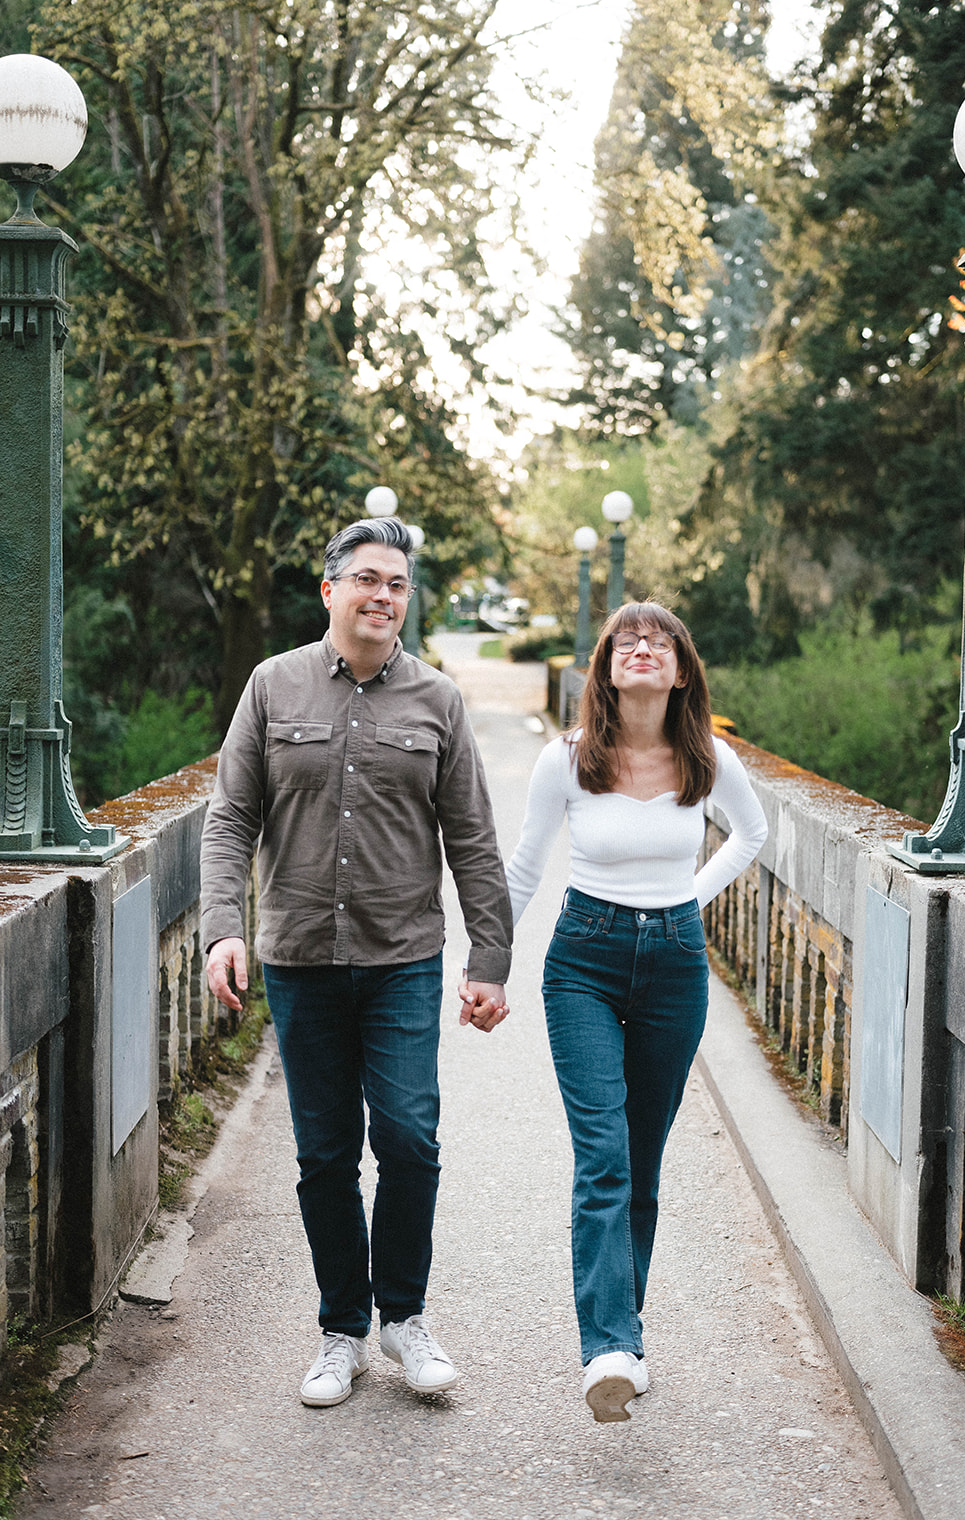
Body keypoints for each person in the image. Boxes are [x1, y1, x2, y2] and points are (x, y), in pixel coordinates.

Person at [200, 517, 512, 1409]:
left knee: (409, 1140)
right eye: (368, 579)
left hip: (403, 957)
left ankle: (405, 1320)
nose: (384, 596)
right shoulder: (272, 686)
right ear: (330, 588)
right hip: (299, 958)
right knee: (324, 1154)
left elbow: (474, 842)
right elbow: (230, 819)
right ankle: (342, 1329)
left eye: (399, 585)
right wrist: (224, 926)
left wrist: (488, 958)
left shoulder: (437, 702)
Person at [503, 602, 767, 1423]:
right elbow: (522, 868)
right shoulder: (568, 759)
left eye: (660, 640)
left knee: (642, 1160)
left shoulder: (708, 759)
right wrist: (485, 962)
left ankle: (628, 1334)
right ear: (607, 669)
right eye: (626, 640)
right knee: (605, 1156)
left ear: (681, 670)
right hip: (583, 958)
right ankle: (608, 1347)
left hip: (676, 969)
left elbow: (754, 835)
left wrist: (686, 898)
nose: (642, 647)